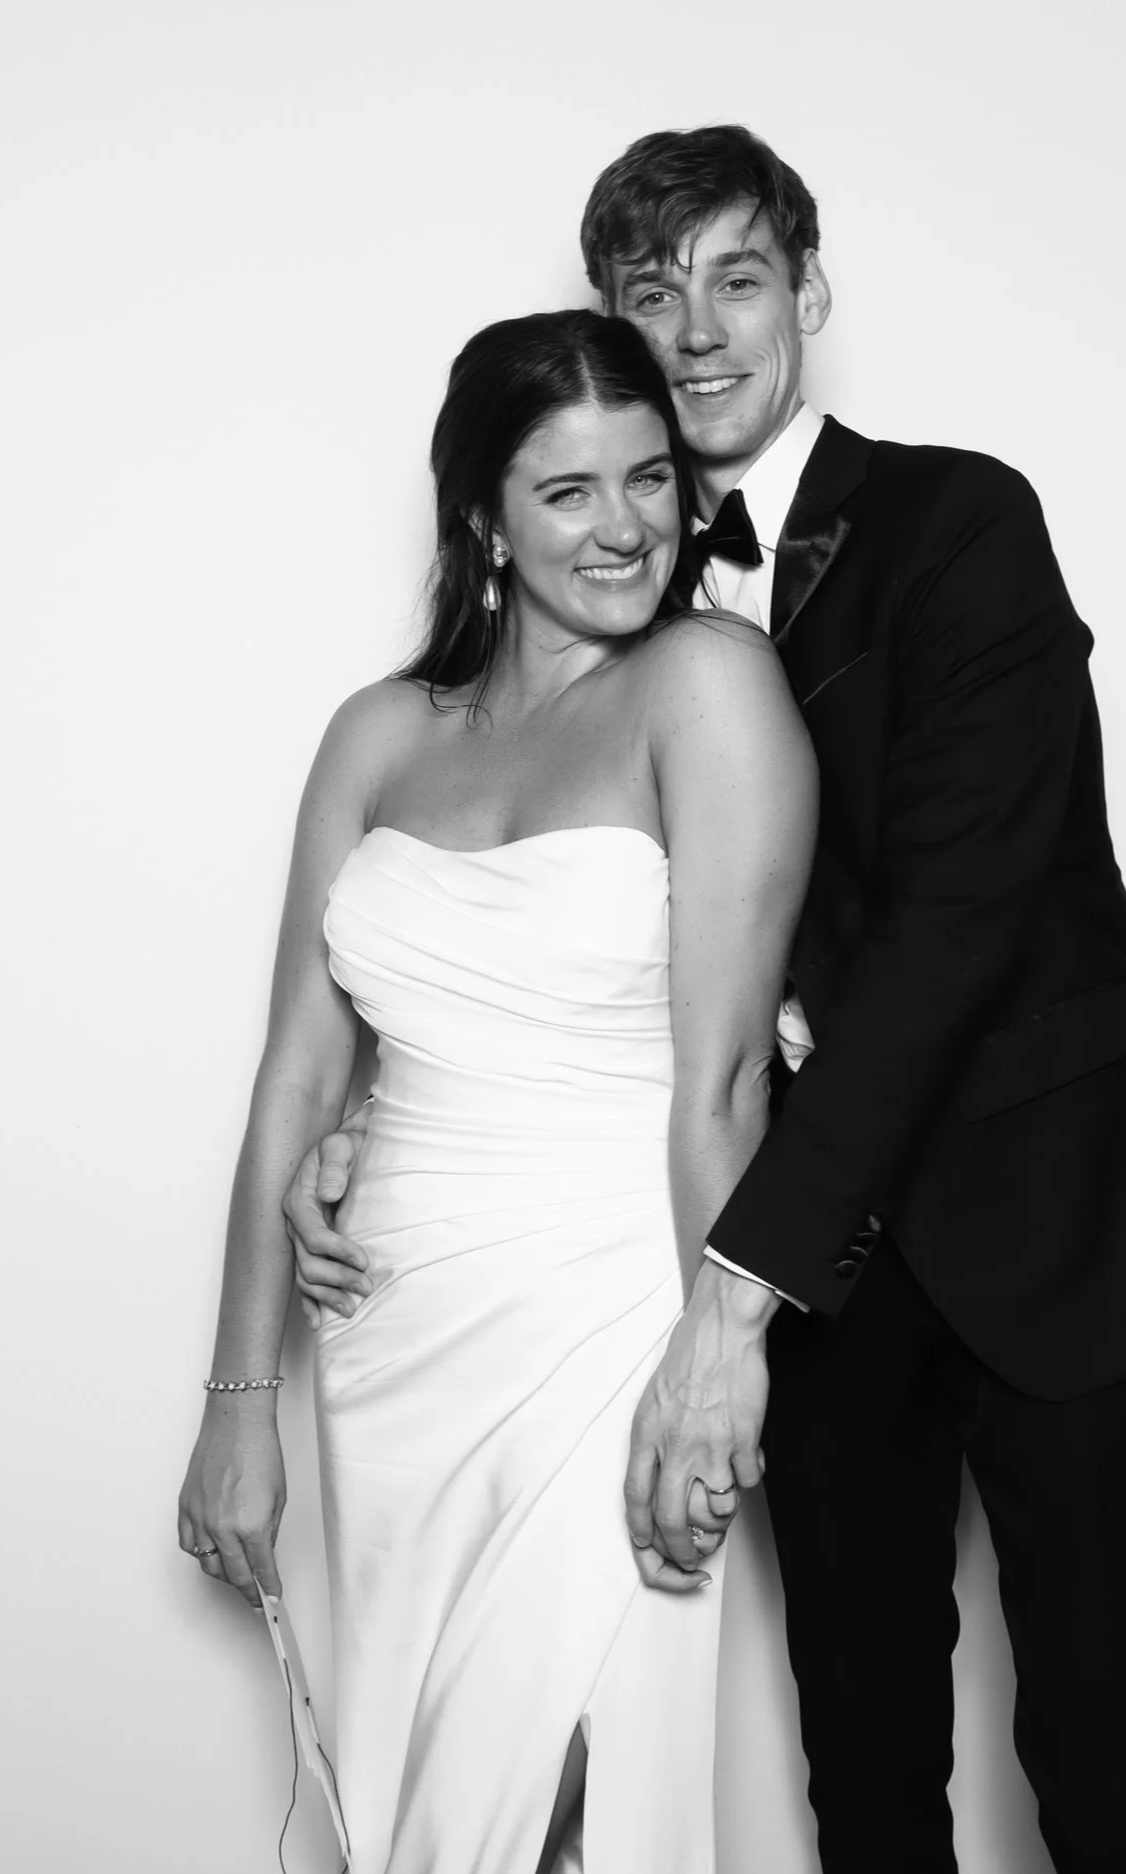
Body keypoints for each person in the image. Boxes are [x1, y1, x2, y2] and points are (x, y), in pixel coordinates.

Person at [289, 127, 1126, 1873]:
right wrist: (385, 1105)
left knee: (1109, 1765)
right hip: (815, 1252)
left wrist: (731, 1301)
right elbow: (601, 929)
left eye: (737, 279)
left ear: (809, 296)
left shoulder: (961, 518)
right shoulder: (616, 576)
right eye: (648, 295)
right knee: (865, 1766)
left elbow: (957, 925)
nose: (695, 332)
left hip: (1047, 1214)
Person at [177, 306, 818, 1874]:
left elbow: (726, 1073)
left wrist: (714, 1363)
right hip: (395, 1344)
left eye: (652, 479)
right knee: (426, 1804)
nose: (629, 528)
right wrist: (234, 1402)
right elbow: (299, 1073)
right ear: (482, 515)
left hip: (608, 1314)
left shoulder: (706, 686)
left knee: (572, 1795)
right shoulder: (379, 735)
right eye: (570, 491)